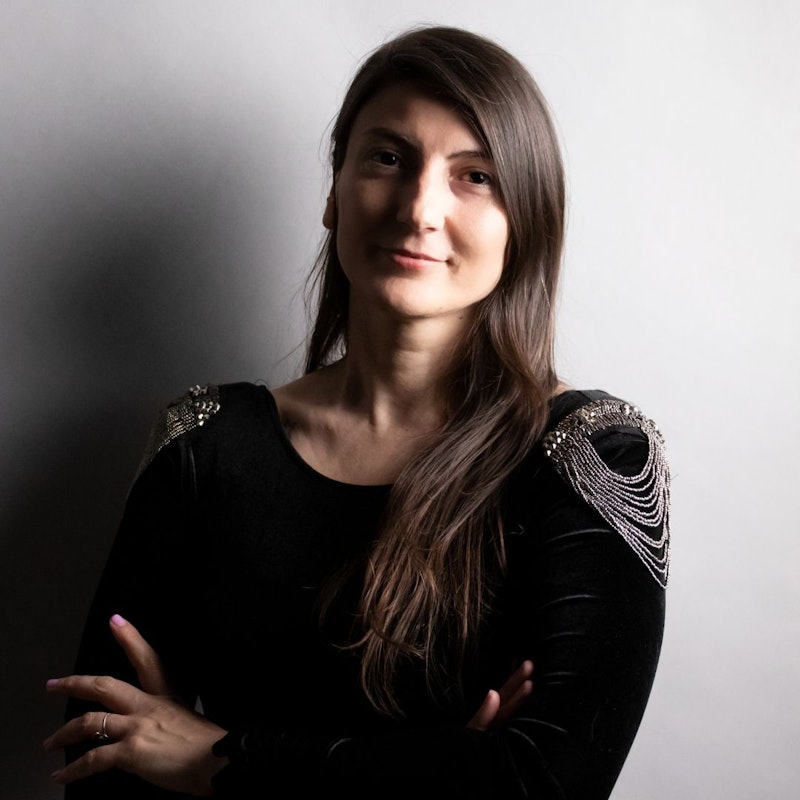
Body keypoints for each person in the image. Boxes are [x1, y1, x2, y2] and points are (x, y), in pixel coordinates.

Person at [44, 24, 670, 799]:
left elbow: (543, 785)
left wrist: (216, 759)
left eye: (475, 176)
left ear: (526, 222)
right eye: (387, 158)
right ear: (333, 194)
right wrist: (434, 768)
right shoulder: (202, 442)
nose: (418, 208)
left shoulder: (591, 458)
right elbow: (104, 760)